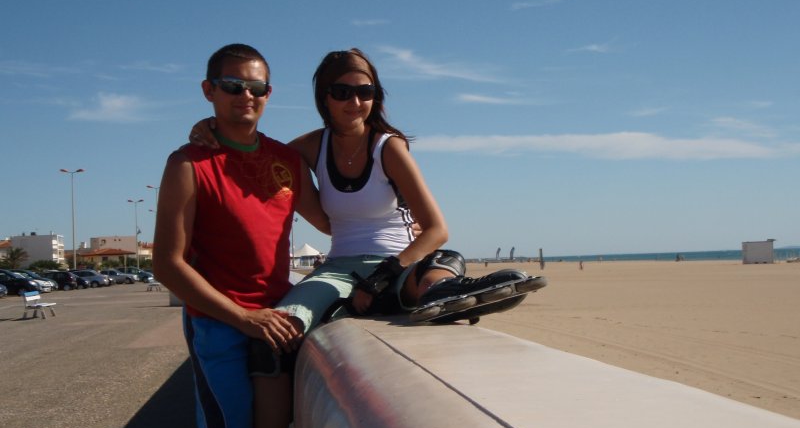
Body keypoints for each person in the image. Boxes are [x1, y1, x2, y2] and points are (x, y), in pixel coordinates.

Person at [189, 48, 543, 340]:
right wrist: (211, 127)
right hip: (338, 269)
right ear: (324, 97)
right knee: (285, 326)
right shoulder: (307, 148)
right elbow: (254, 149)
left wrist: (380, 278)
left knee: (435, 271)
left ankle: (451, 293)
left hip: (397, 263)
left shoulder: (388, 148)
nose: (355, 101)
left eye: (365, 92)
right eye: (342, 92)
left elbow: (436, 229)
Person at [153, 43, 329, 428]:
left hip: (275, 323)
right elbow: (167, 264)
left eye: (257, 88)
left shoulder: (286, 160)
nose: (246, 96)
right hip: (220, 330)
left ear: (270, 95)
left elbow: (332, 222)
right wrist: (242, 317)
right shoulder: (188, 163)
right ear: (209, 91)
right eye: (233, 86)